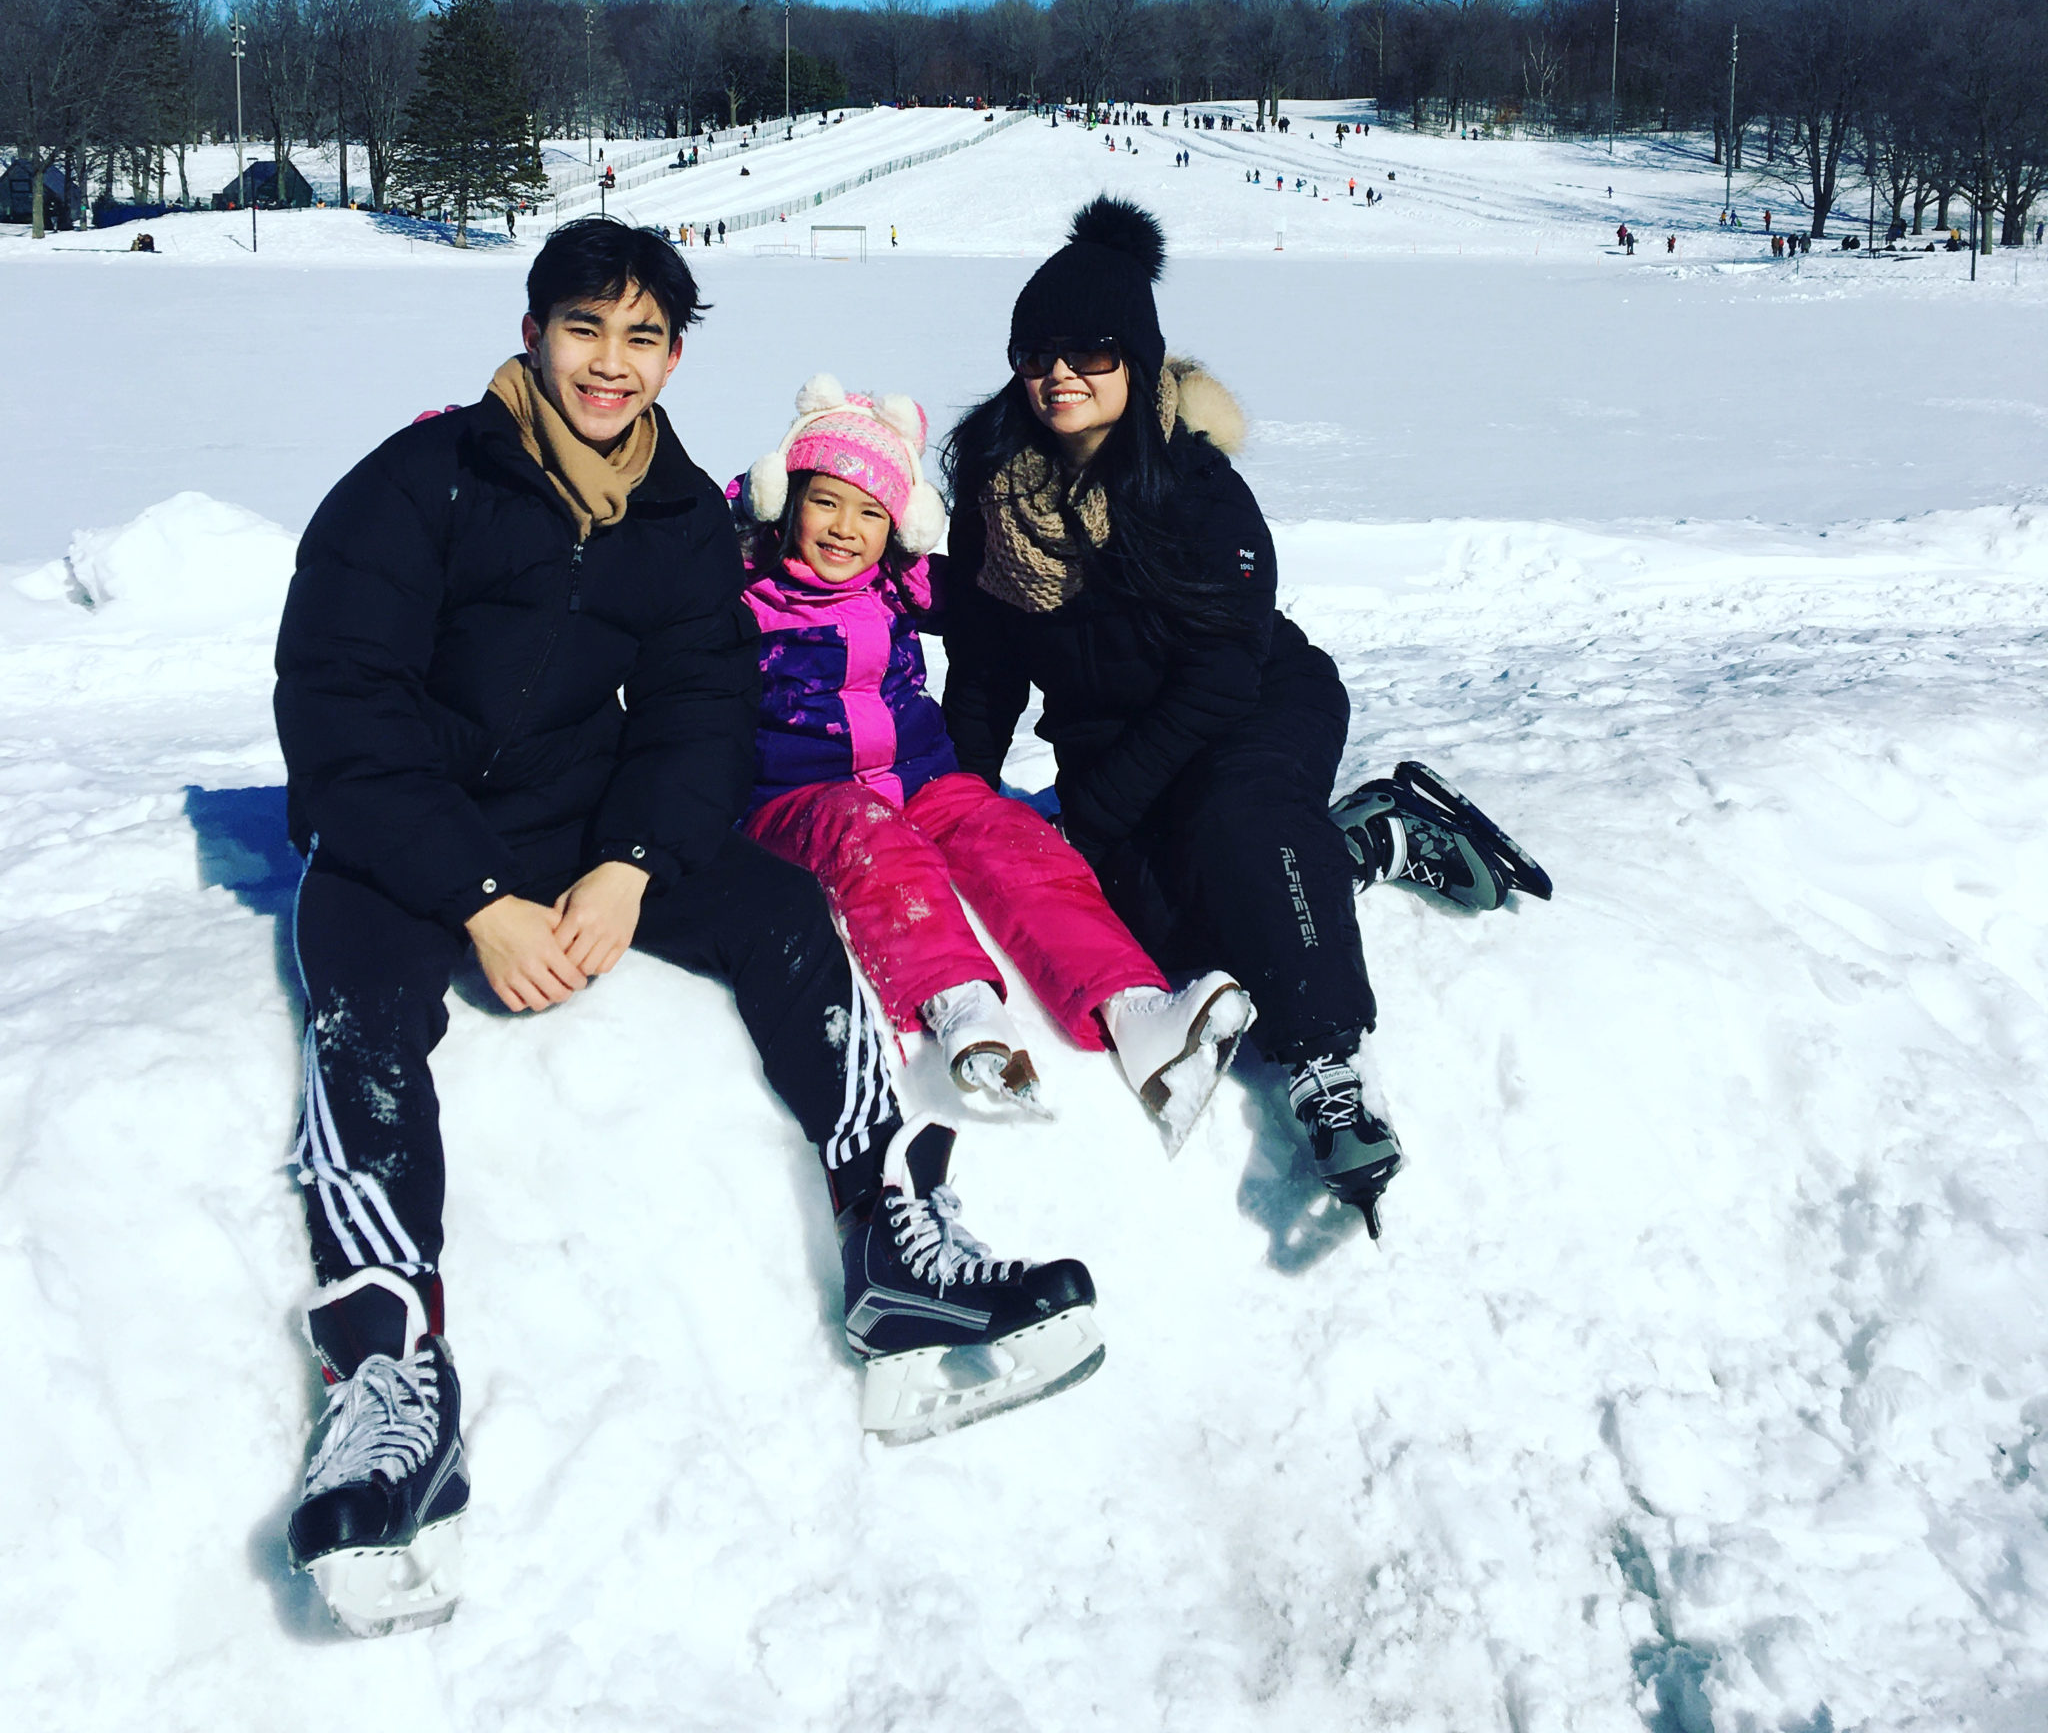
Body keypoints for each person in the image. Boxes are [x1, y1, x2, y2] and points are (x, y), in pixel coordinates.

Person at [272, 220, 1097, 1635]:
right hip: (408, 836)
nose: (612, 363)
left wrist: (630, 864)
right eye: (587, 328)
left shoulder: (672, 518)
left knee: (782, 910)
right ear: (534, 329)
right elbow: (336, 709)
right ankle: (387, 1369)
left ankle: (896, 1237)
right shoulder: (421, 483)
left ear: (674, 352)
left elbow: (700, 713)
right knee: (359, 1003)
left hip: (592, 823)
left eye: (644, 336)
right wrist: (480, 895)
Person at [940, 198, 1402, 1237]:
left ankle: (1327, 1060)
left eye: (1090, 351)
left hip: (1252, 705)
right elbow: (983, 670)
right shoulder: (994, 499)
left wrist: (1097, 802)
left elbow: (1220, 676)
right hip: (1115, 745)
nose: (1060, 373)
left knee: (1240, 822)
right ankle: (1368, 838)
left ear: (1136, 360)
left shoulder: (1195, 491)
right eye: (1036, 351)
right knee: (1161, 927)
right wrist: (959, 799)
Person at [731, 378, 1251, 1145]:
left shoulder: (901, 587)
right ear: (788, 500)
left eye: (872, 512)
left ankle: (1134, 1007)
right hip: (801, 799)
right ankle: (960, 1004)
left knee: (1014, 836)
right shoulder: (744, 594)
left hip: (918, 778)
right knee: (875, 842)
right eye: (826, 502)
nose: (846, 530)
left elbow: (996, 602)